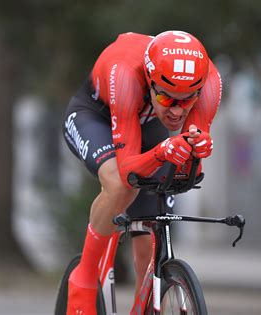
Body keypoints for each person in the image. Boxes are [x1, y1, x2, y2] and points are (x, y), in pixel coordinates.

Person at [62, 30, 222, 315]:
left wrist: (197, 151)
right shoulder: (126, 75)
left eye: (186, 101)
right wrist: (163, 152)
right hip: (95, 116)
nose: (176, 111)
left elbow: (189, 171)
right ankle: (84, 278)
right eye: (167, 99)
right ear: (150, 82)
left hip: (146, 125)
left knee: (148, 247)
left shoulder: (210, 81)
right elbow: (127, 171)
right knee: (120, 185)